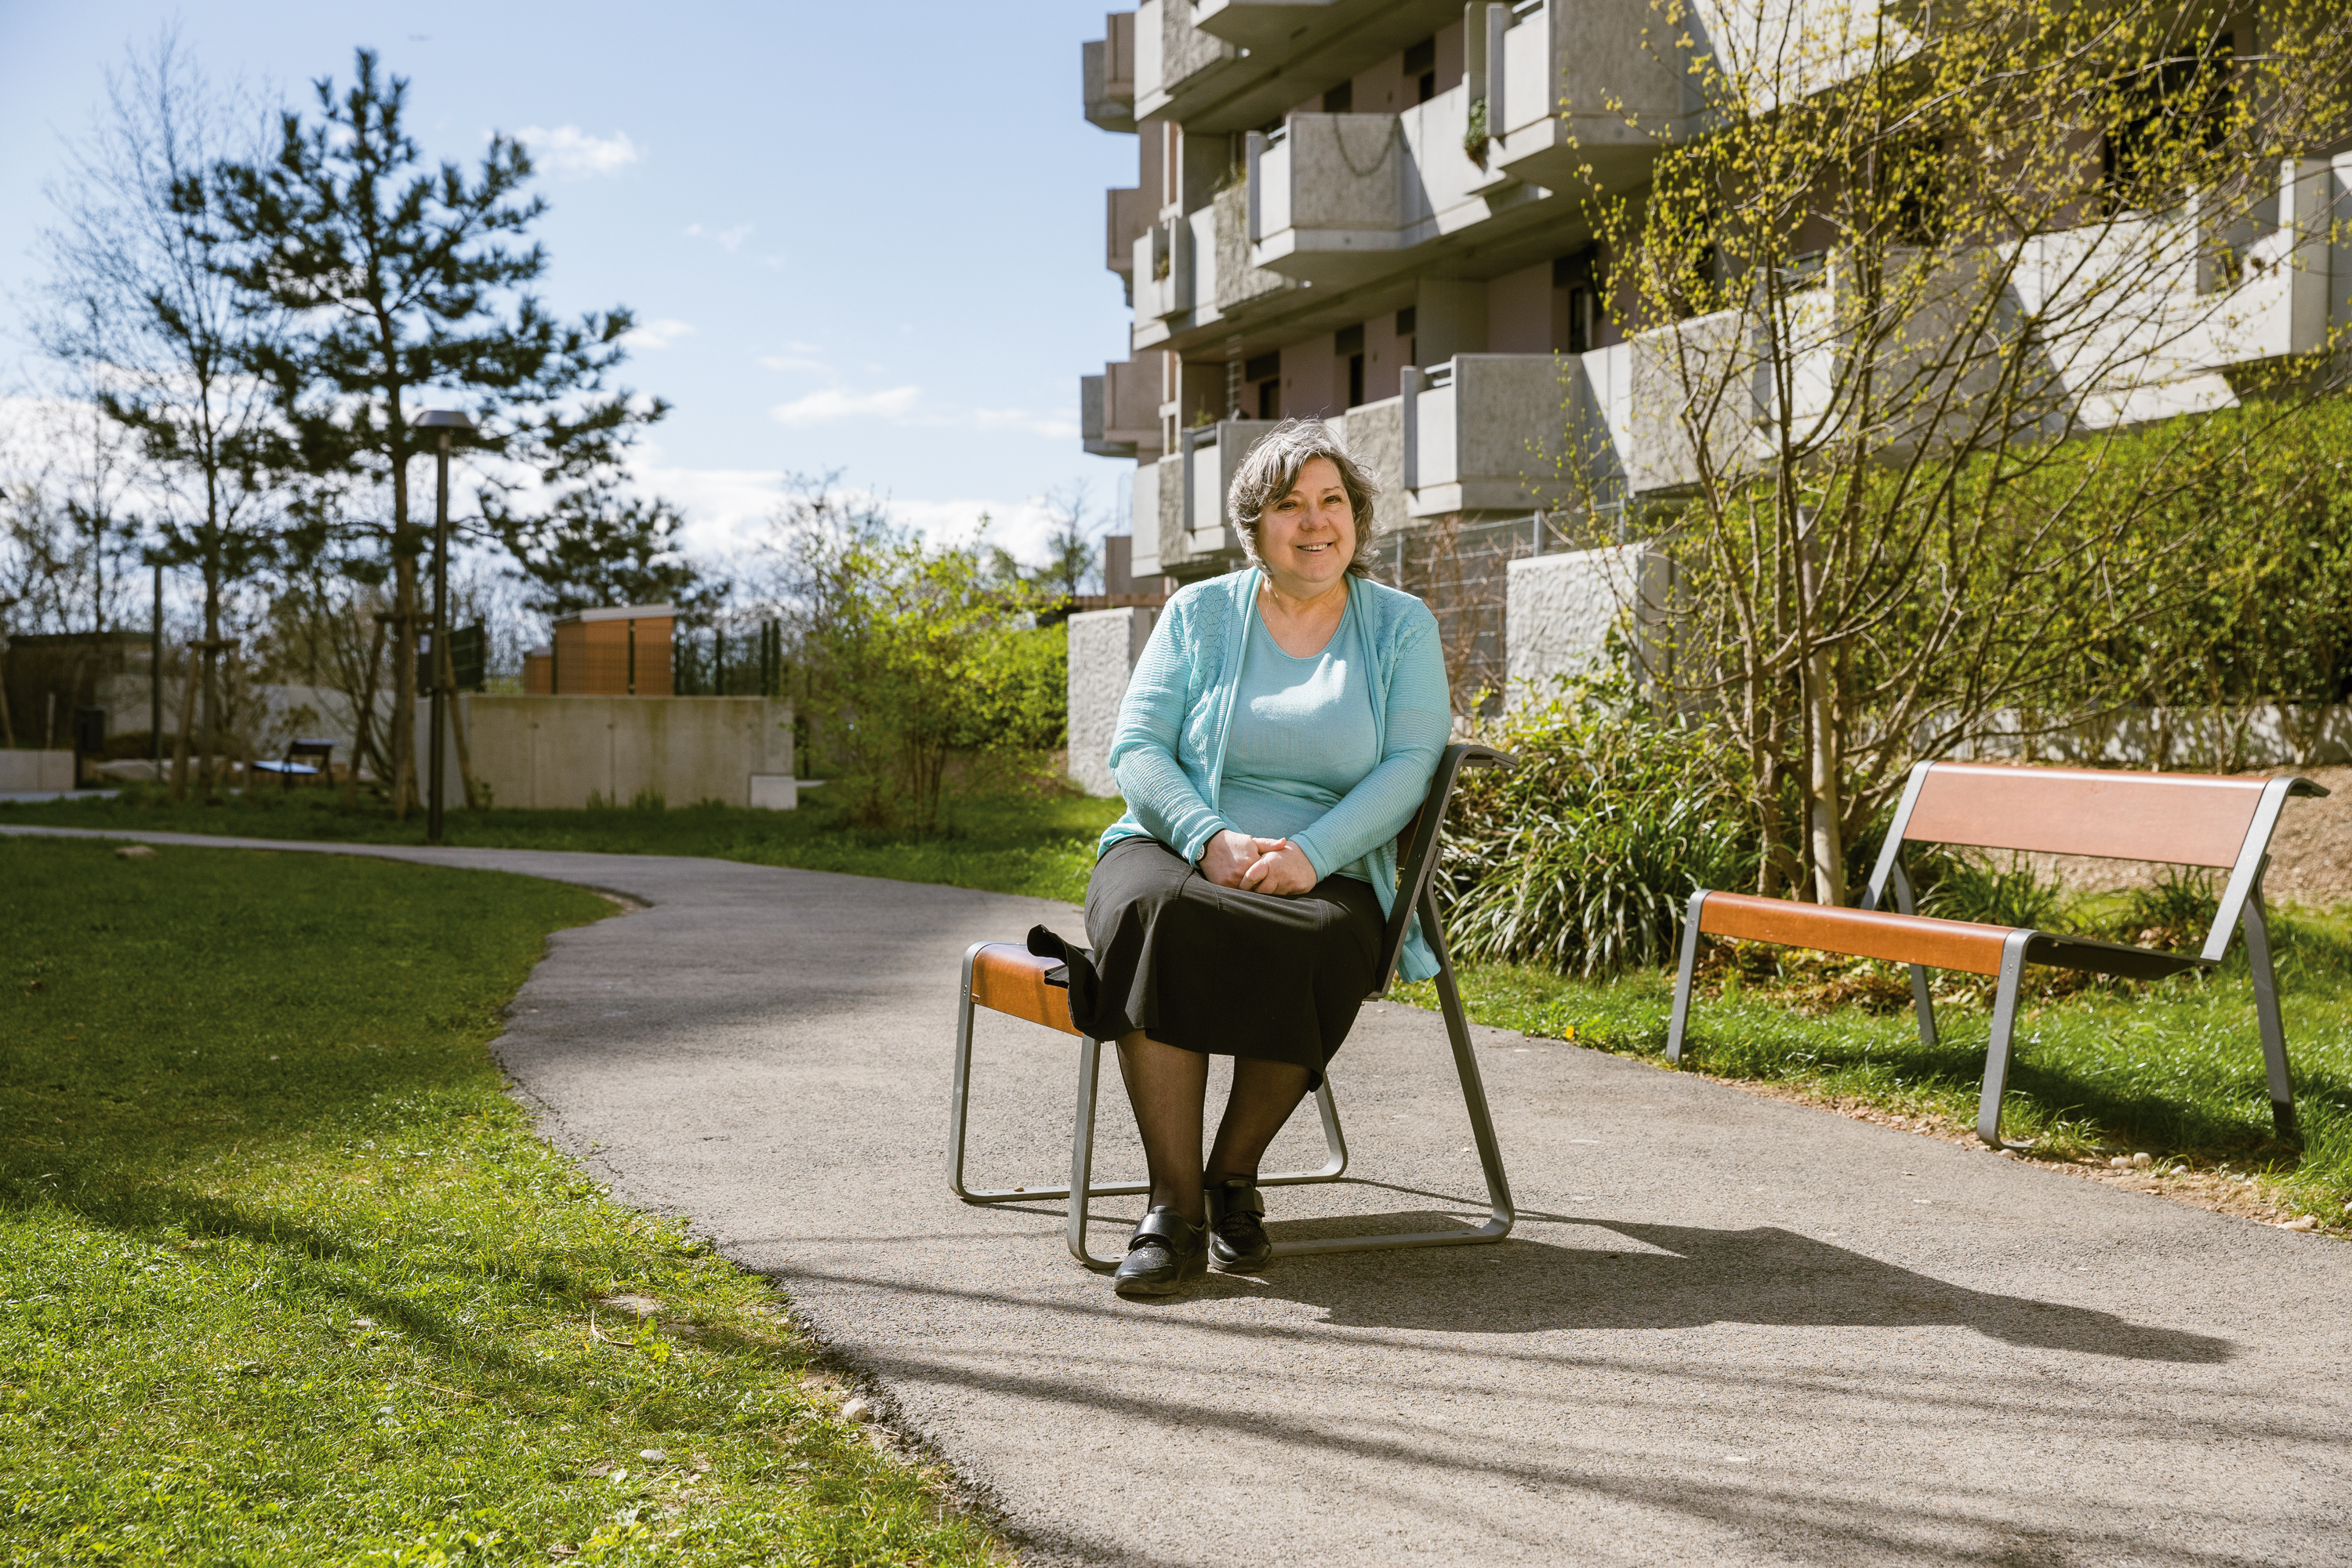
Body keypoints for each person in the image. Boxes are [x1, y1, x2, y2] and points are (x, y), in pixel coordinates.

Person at [1079, 419, 1450, 1298]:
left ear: (1356, 517)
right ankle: (1173, 1206)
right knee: (1150, 915)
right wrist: (1207, 835)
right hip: (1174, 840)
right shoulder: (1199, 612)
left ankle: (1232, 1177)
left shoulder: (1400, 625)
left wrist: (1313, 853)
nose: (1315, 521)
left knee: (1317, 937)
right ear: (1256, 526)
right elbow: (1136, 745)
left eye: (1332, 501)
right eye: (1290, 504)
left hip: (1333, 861)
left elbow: (1411, 764)